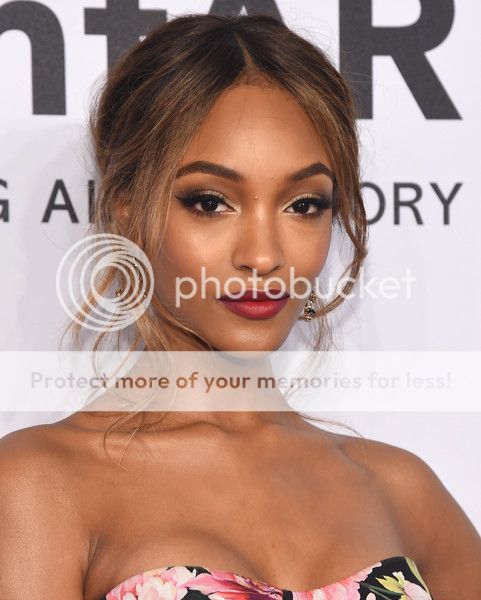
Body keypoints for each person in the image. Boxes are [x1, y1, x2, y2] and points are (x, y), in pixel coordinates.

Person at [1, 13, 480, 600]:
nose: (263, 255)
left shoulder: (404, 491)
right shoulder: (39, 481)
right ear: (127, 213)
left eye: (303, 205)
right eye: (210, 202)